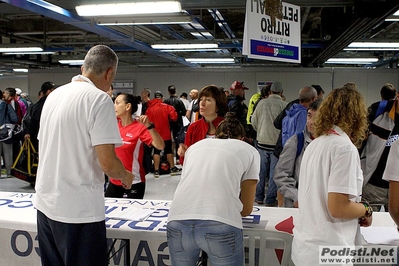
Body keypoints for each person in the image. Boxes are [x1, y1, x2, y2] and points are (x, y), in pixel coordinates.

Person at [33, 45, 134, 266]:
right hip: (78, 212)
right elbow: (107, 163)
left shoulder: (54, 96)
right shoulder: (98, 100)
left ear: (83, 68)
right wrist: (126, 176)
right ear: (109, 73)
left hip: (46, 204)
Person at [292, 87, 373, 265]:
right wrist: (366, 209)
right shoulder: (344, 149)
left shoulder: (316, 144)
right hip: (329, 252)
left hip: (306, 248)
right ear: (356, 116)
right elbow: (338, 208)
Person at [167, 113, 260, 266]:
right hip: (220, 223)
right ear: (242, 138)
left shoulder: (195, 147)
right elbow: (246, 209)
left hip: (177, 220)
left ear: (216, 136)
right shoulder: (250, 151)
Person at [105, 93, 164, 199]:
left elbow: (160, 146)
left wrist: (149, 126)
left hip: (134, 181)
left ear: (128, 106)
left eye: (117, 103)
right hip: (114, 180)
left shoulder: (139, 128)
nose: (114, 106)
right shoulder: (114, 127)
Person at [274, 99, 321, 208]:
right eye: (309, 116)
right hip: (297, 207)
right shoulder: (296, 141)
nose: (311, 122)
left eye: (317, 117)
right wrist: (296, 197)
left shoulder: (332, 145)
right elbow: (281, 174)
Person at [251, 81, 287, 206]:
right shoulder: (284, 105)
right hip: (276, 146)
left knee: (260, 172)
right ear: (282, 92)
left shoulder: (261, 103)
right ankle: (270, 200)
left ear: (270, 91)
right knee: (273, 174)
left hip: (261, 143)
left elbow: (253, 120)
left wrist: (260, 131)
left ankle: (259, 197)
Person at [178, 85, 228, 165]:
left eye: (208, 100)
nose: (202, 103)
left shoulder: (228, 127)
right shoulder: (193, 128)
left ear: (218, 105)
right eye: (201, 99)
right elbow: (184, 162)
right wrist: (183, 154)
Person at [146, 90, 180, 177]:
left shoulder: (149, 108)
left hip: (154, 134)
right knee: (169, 150)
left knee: (156, 151)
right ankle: (172, 168)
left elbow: (146, 121)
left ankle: (156, 170)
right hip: (166, 132)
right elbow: (174, 117)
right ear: (161, 98)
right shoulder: (167, 107)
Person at [23, 81, 56, 151]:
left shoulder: (35, 106)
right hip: (45, 138)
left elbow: (27, 120)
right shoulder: (49, 105)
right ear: (48, 92)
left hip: (36, 137)